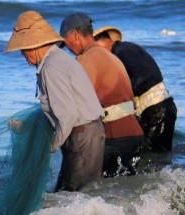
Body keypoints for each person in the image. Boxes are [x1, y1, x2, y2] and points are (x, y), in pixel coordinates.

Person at [6, 11, 105, 192]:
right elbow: (58, 111)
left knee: (74, 197)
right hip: (87, 133)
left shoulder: (51, 67)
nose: (22, 54)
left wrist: (49, 146)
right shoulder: (58, 59)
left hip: (82, 136)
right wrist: (27, 127)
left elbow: (68, 115)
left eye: (23, 48)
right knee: (78, 194)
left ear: (34, 45)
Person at [60, 13, 144, 177]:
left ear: (75, 35)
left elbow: (76, 102)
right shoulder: (109, 55)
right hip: (134, 133)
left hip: (116, 136)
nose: (68, 49)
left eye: (66, 42)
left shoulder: (86, 59)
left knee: (100, 192)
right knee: (125, 192)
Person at [94, 26, 177, 153]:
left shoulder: (122, 52)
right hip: (162, 105)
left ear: (101, 42)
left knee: (150, 157)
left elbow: (142, 76)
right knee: (159, 155)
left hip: (155, 110)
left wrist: (125, 95)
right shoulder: (128, 48)